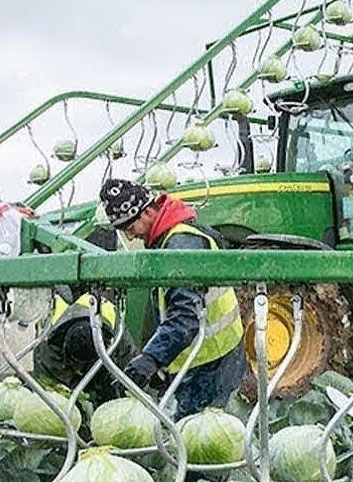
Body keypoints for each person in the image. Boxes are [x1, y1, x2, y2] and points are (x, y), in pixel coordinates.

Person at [99, 179, 246, 419]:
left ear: (147, 211)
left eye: (130, 227)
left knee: (199, 441)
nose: (131, 236)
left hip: (212, 363)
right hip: (201, 358)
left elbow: (185, 316)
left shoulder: (182, 244)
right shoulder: (168, 240)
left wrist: (151, 359)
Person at [34, 286, 134, 404]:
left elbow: (127, 365)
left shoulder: (115, 329)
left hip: (104, 363)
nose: (80, 369)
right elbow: (49, 383)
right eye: (77, 364)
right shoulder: (50, 344)